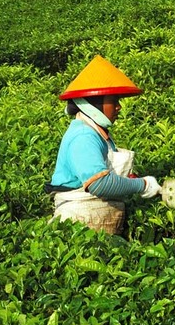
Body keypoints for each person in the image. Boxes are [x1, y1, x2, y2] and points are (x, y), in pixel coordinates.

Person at [46, 55, 161, 233]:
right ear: (94, 103)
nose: (118, 107)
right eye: (113, 101)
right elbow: (99, 184)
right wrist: (143, 185)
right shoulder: (83, 136)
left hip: (96, 225)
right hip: (80, 226)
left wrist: (130, 180)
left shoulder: (96, 133)